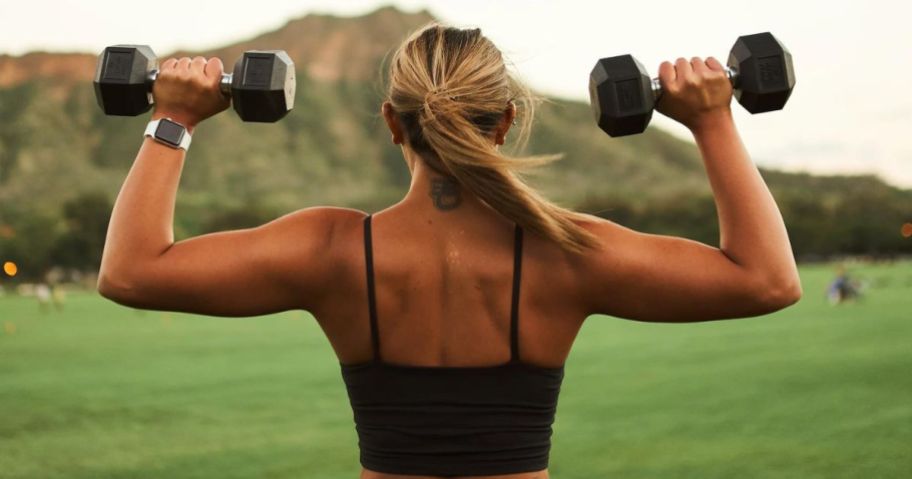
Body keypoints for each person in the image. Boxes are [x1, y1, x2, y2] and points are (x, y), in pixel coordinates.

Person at [97, 24, 802, 479]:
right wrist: (711, 120)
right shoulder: (567, 251)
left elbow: (130, 271)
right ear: (507, 120)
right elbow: (767, 280)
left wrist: (175, 115)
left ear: (389, 124)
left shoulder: (332, 250)